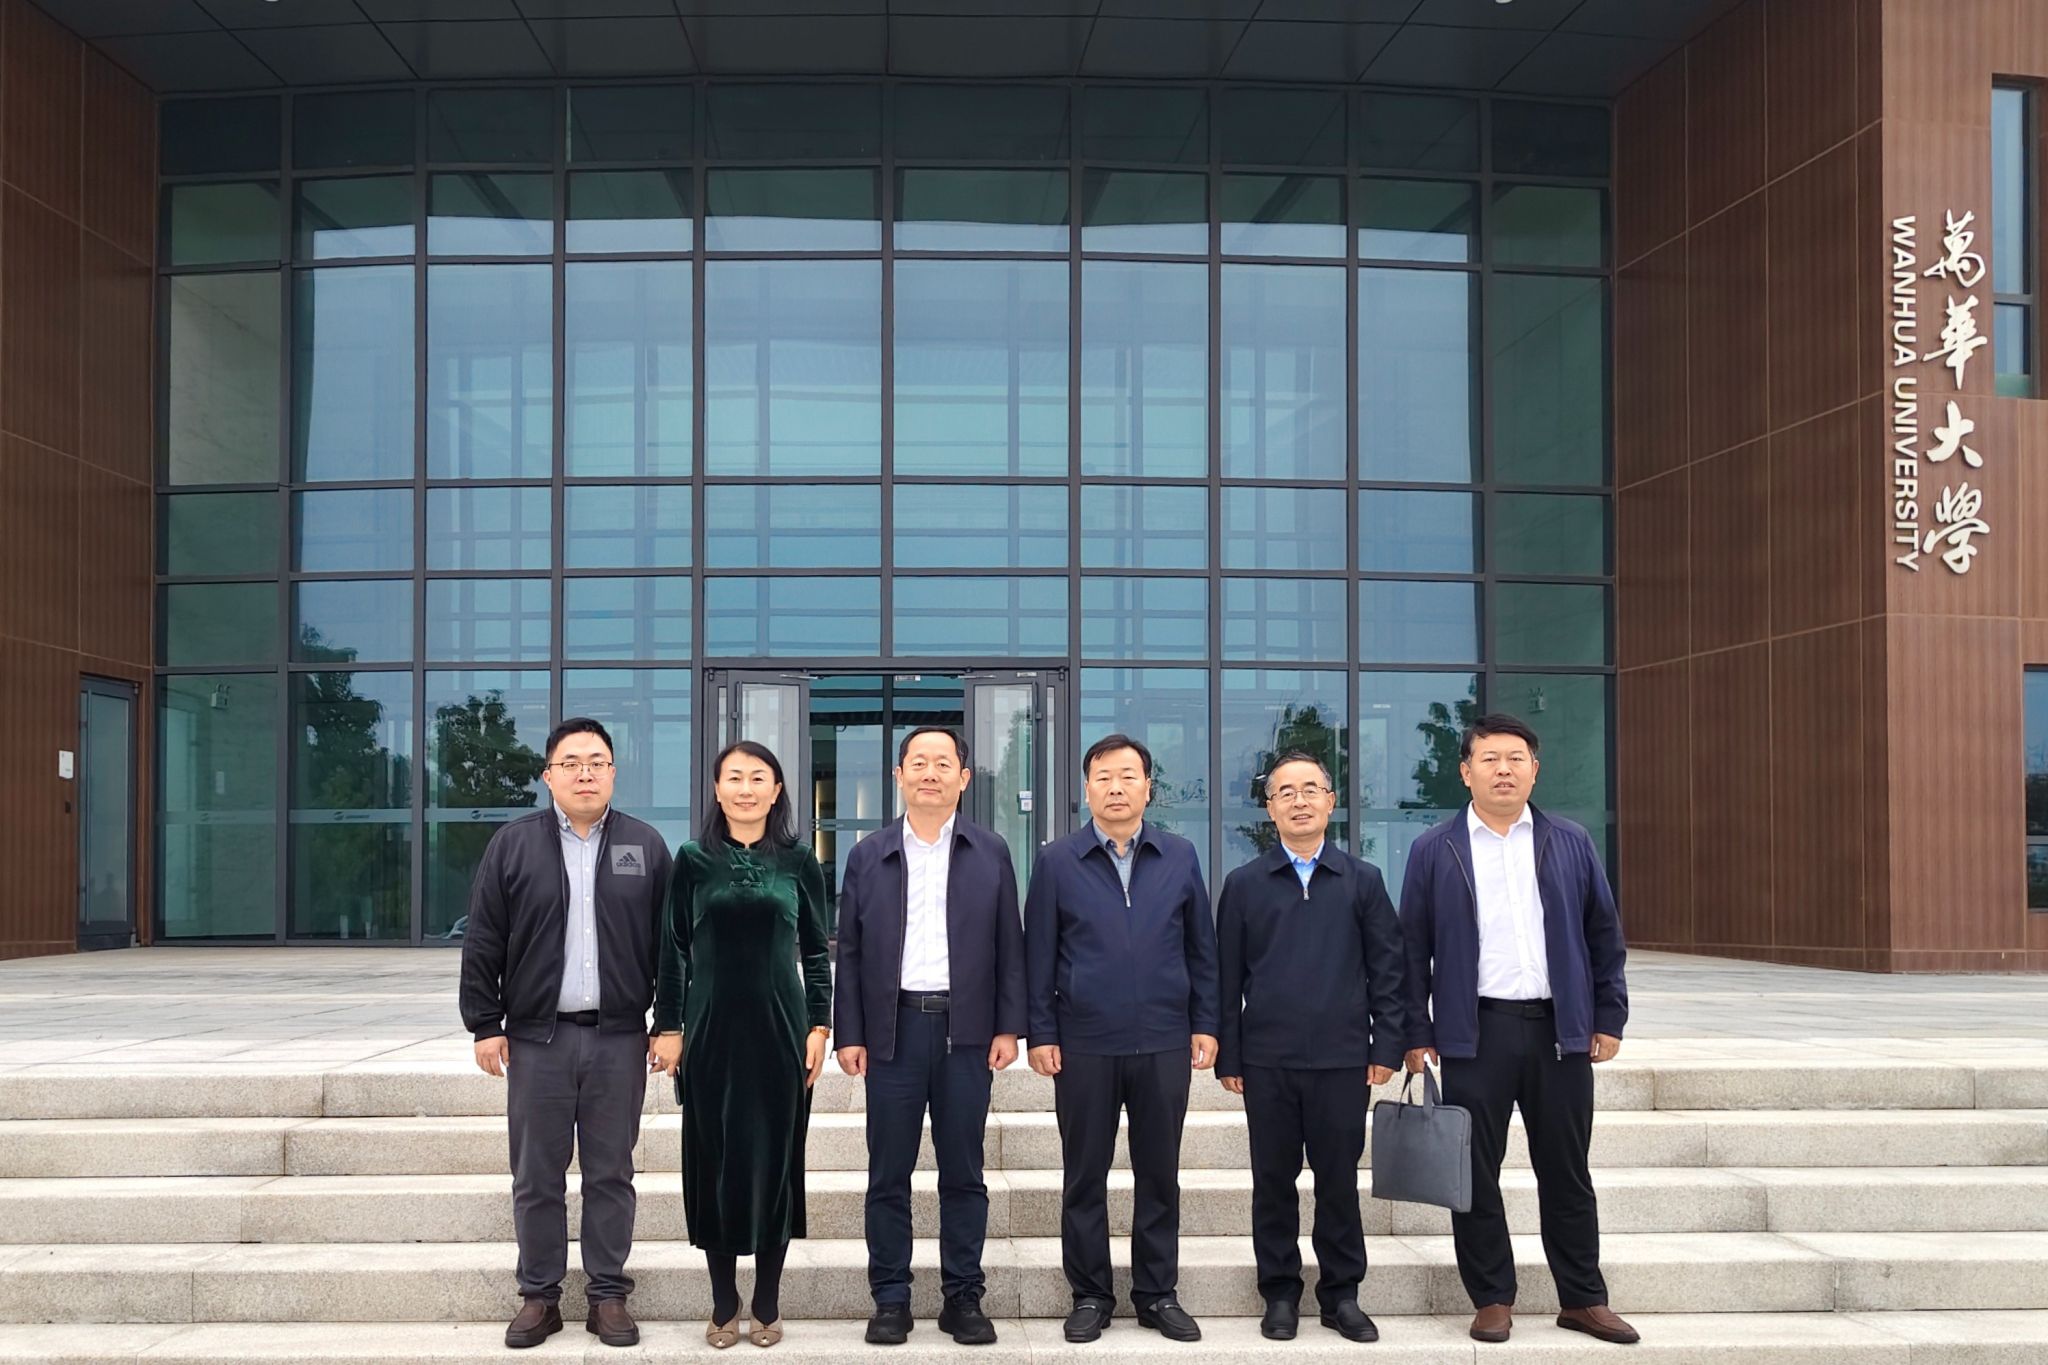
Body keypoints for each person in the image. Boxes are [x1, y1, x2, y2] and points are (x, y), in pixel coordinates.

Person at [1398, 713, 1636, 1347]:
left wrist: (1608, 1015)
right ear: (1465, 772)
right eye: (1490, 759)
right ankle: (1492, 1298)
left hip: (1560, 1031)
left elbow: (1603, 934)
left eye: (1515, 759)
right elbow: (1410, 950)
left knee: (1567, 1170)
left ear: (1535, 769)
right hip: (1475, 1031)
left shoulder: (1569, 841)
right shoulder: (1435, 849)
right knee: (1476, 1172)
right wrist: (1415, 1031)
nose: (1503, 770)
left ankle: (1582, 1298)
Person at [457, 718, 675, 1350]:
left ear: (613, 773)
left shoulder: (644, 845)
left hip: (618, 1038)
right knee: (536, 1175)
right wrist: (484, 1023)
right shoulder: (513, 845)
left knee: (611, 1172)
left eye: (597, 762)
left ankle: (607, 1296)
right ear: (548, 775)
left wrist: (670, 1023)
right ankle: (539, 1297)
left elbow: (672, 946)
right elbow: (484, 938)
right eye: (571, 762)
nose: (585, 773)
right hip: (537, 1040)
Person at [833, 726, 1026, 1346]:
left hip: (965, 1033)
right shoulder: (869, 854)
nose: (930, 773)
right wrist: (850, 1032)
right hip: (892, 1033)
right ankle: (891, 1298)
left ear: (964, 778)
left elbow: (1010, 945)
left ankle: (962, 1297)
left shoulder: (989, 851)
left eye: (944, 763)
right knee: (888, 1173)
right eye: (918, 762)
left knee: (963, 1172)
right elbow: (850, 950)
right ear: (899, 775)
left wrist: (1008, 1025)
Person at [1024, 733, 1219, 1345]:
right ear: (1086, 789)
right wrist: (1041, 1031)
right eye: (1103, 777)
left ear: (1148, 788)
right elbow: (1038, 955)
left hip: (1163, 1041)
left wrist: (1206, 1023)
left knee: (1159, 1173)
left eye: (1128, 776)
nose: (1116, 787)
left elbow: (1202, 950)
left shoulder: (1179, 855)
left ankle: (1158, 1293)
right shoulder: (1058, 861)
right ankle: (1090, 1294)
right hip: (1084, 1042)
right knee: (1084, 1175)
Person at [1215, 751, 1407, 1344]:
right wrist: (1230, 1055)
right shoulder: (1245, 885)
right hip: (1266, 1061)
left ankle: (1341, 1295)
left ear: (1330, 800)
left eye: (1310, 789)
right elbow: (1226, 978)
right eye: (1285, 792)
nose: (1299, 801)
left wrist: (1387, 1046)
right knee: (1272, 1181)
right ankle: (1279, 1292)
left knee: (1337, 1182)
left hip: (1342, 1059)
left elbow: (1389, 971)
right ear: (1269, 808)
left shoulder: (1362, 880)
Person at [650, 741, 831, 1351]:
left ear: (777, 791)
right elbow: (673, 949)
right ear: (717, 789)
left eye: (759, 778)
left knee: (776, 1163)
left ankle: (768, 1300)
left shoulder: (799, 861)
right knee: (715, 1161)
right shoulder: (692, 860)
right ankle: (724, 1302)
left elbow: (817, 952)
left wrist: (820, 1026)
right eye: (734, 777)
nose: (746, 788)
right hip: (710, 1033)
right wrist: (669, 1027)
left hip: (781, 1033)